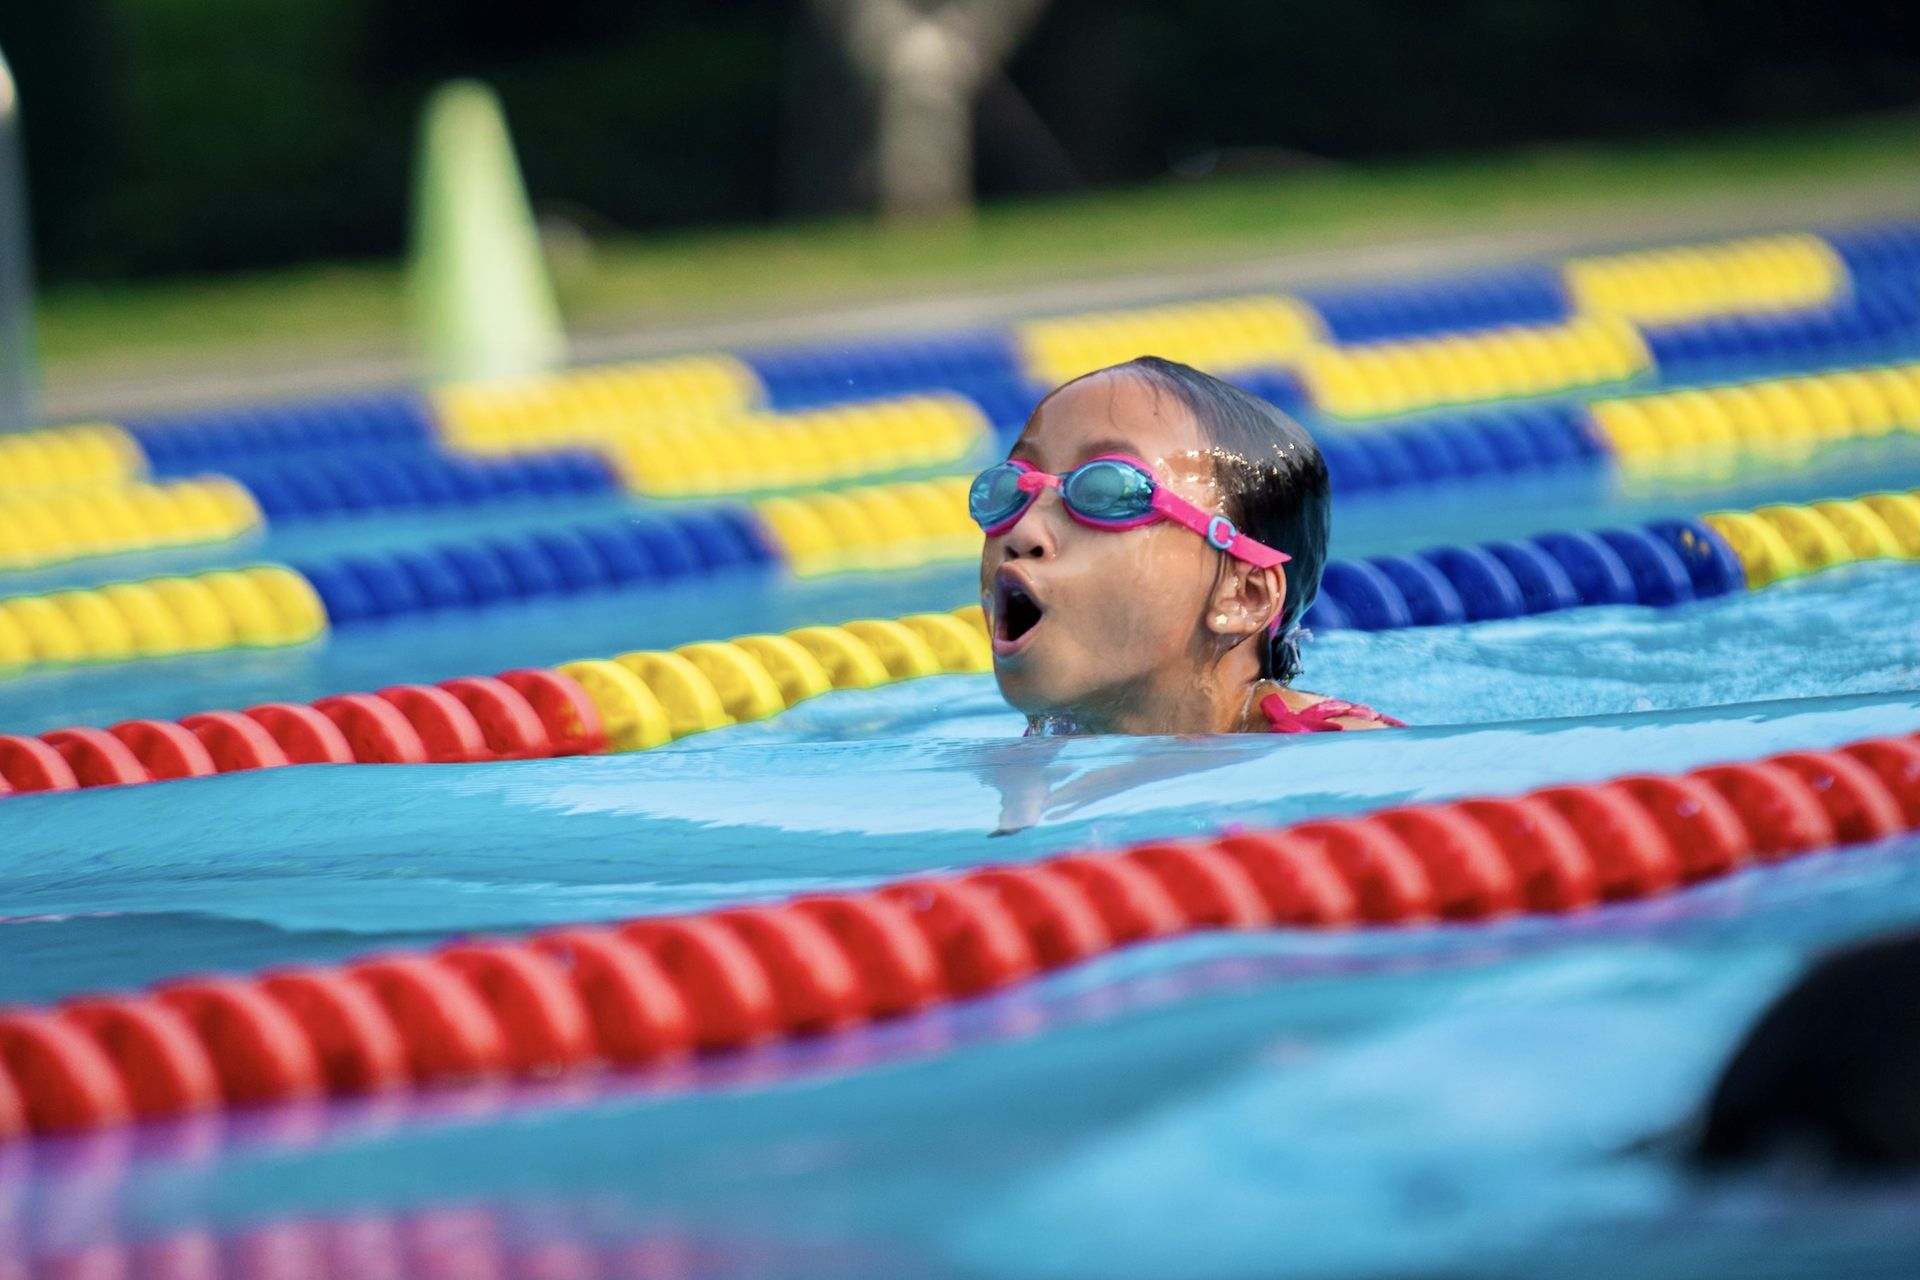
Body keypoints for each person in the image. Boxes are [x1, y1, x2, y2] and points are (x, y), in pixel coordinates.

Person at [972, 355, 1402, 737]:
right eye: (1011, 489)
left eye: (1107, 491)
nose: (1023, 533)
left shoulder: (1341, 753)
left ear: (1243, 595)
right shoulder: (1039, 768)